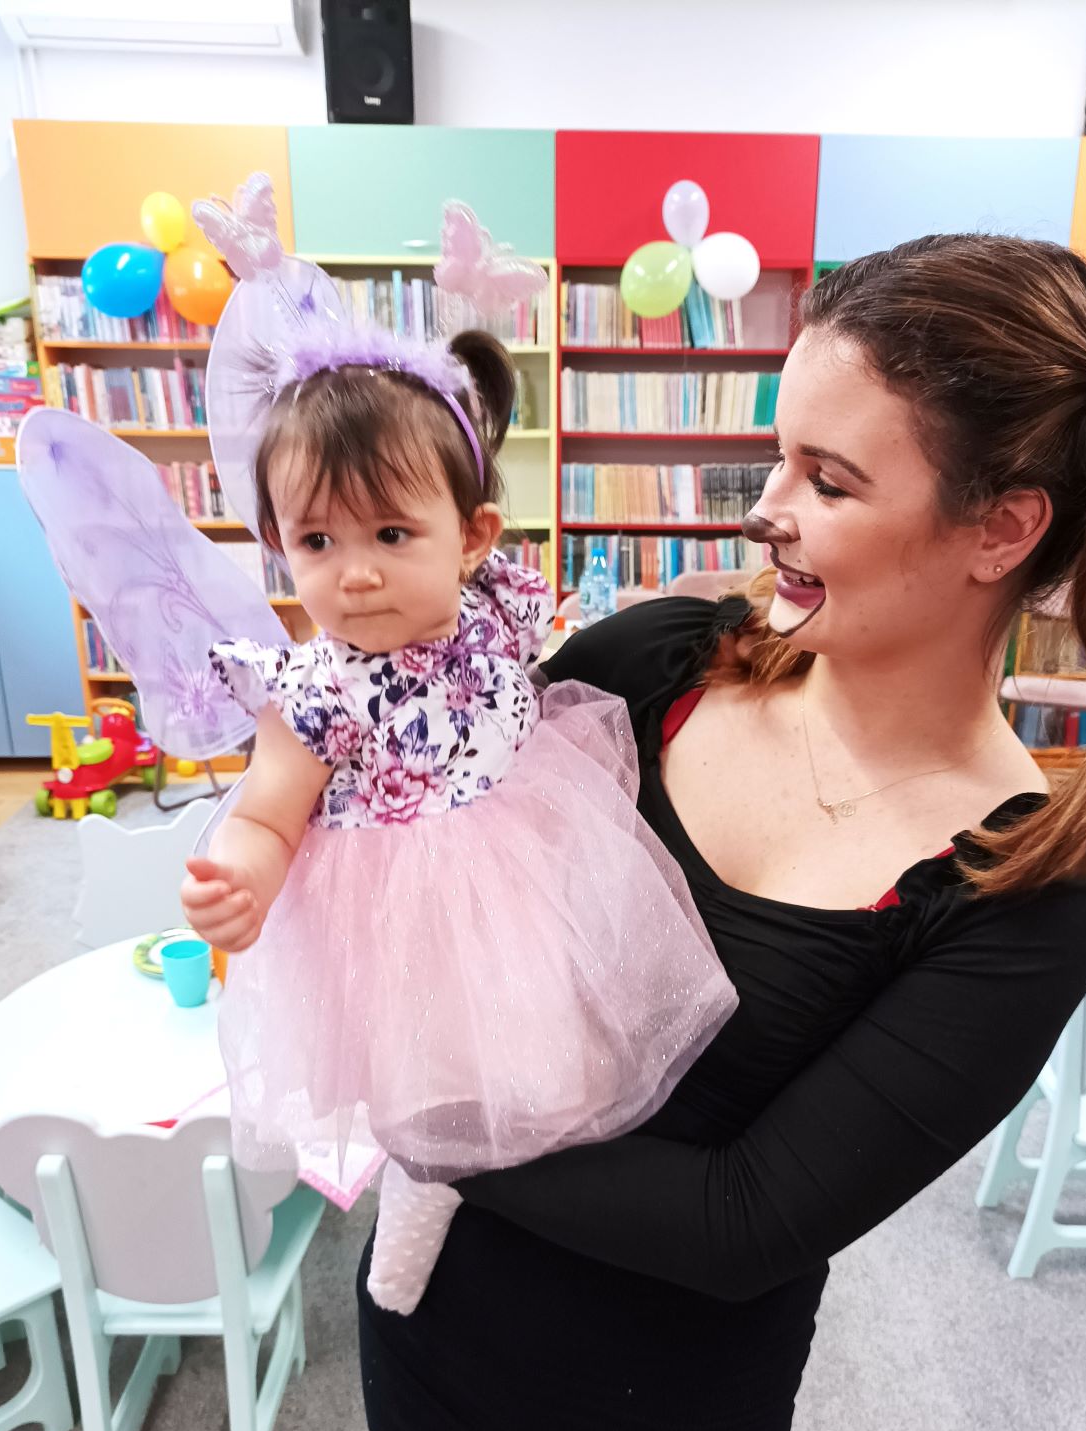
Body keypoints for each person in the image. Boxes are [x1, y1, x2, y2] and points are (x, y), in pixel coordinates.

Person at [357, 234, 1086, 1431]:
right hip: (430, 1337)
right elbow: (438, 860)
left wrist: (425, 1110)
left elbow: (739, 1222)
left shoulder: (1027, 897)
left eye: (830, 479)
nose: (767, 511)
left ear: (1001, 529)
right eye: (777, 456)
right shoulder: (655, 664)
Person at [179, 322, 735, 1310]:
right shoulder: (314, 690)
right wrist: (240, 881)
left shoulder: (492, 612)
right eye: (317, 541)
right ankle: (424, 1189)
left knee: (555, 1052)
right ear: (277, 545)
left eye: (391, 535)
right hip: (400, 919)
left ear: (472, 538)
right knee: (429, 1094)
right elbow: (266, 815)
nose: (354, 573)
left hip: (523, 864)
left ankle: (537, 1191)